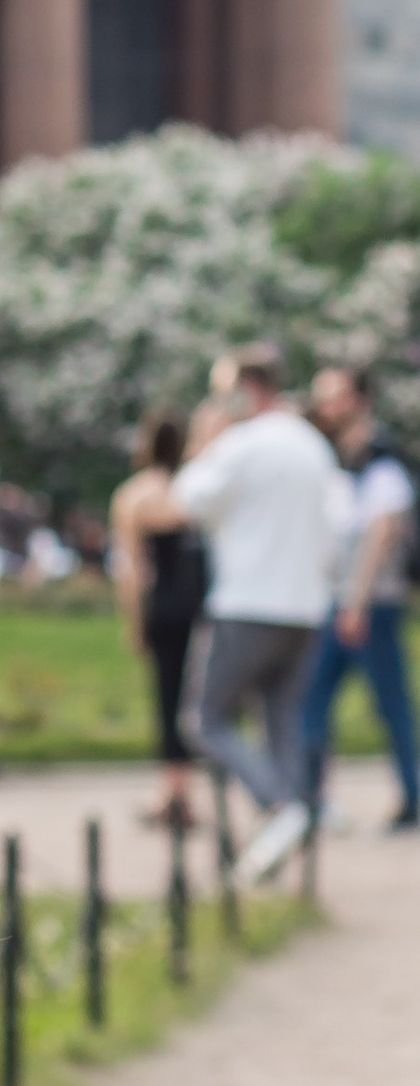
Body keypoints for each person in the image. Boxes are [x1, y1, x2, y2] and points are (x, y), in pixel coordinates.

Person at [170, 342, 339, 885]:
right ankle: (281, 834)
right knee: (282, 721)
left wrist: (207, 441)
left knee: (205, 717)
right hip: (305, 605)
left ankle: (281, 806)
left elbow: (186, 498)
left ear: (246, 388)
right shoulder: (313, 446)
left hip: (248, 602)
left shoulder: (241, 444)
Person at [301, 364, 420, 834]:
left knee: (390, 703)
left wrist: (355, 601)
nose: (325, 406)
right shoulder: (335, 460)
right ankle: (310, 796)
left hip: (371, 604)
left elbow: (382, 532)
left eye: (334, 396)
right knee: (311, 700)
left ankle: (412, 794)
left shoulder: (381, 460)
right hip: (337, 603)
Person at [109, 406, 209, 831]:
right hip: (198, 605)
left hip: (163, 606)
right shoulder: (195, 490)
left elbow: (130, 569)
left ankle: (172, 790)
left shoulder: (133, 496)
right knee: (194, 699)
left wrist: (133, 622)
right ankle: (184, 790)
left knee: (167, 699)